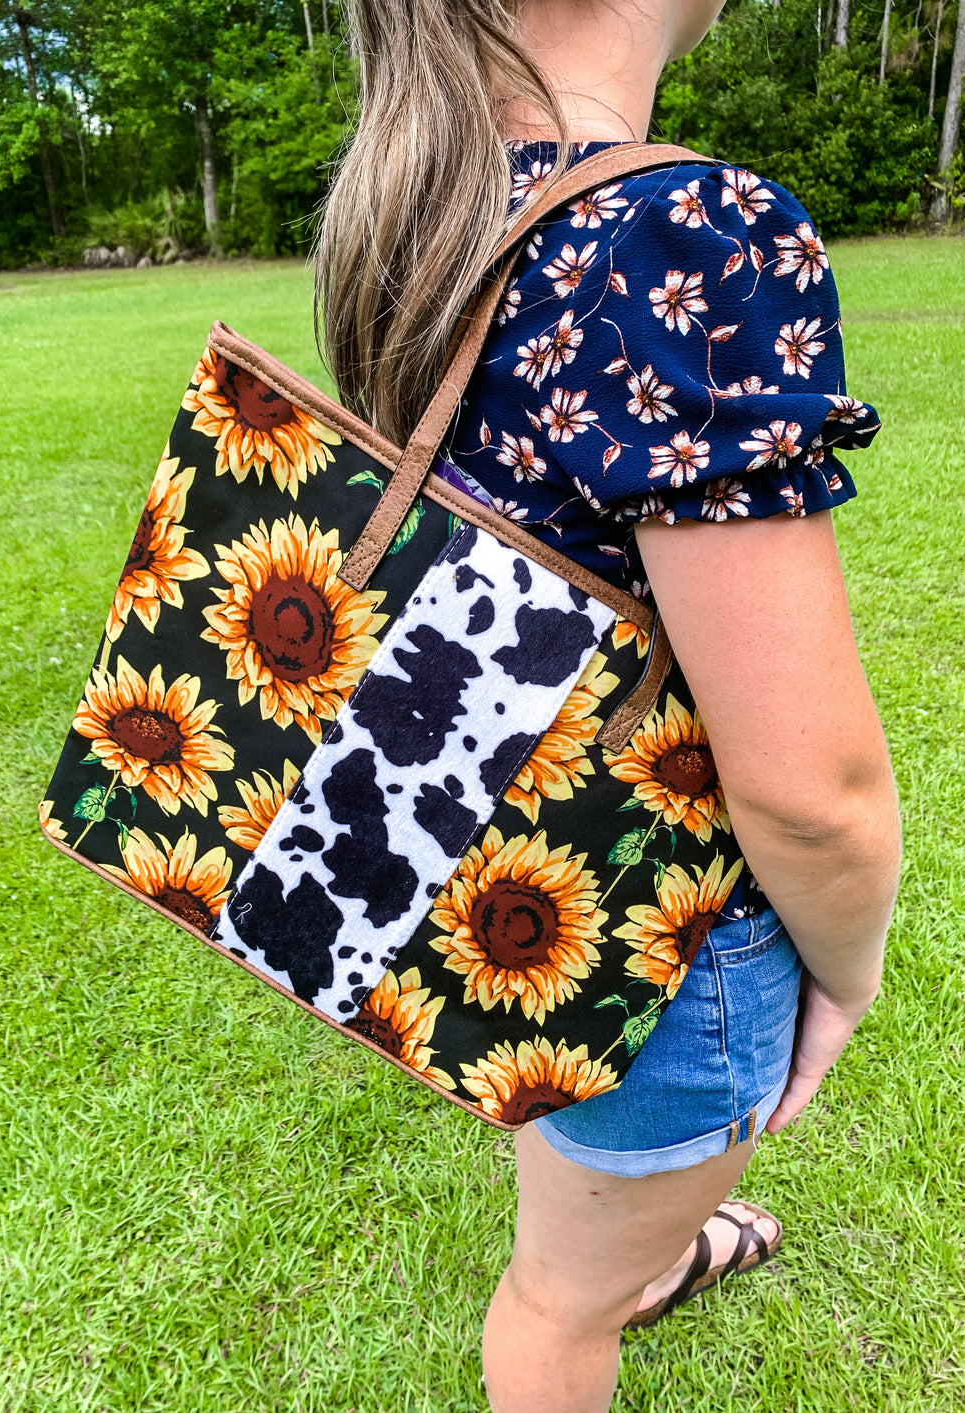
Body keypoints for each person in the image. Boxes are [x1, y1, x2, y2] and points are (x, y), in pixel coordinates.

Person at [316, 3, 902, 1410]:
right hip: (652, 931)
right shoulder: (681, 232)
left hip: (482, 868)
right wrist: (854, 968)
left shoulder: (423, 202)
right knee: (553, 1309)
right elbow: (809, 792)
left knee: (580, 1171)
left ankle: (644, 1241)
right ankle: (603, 1274)